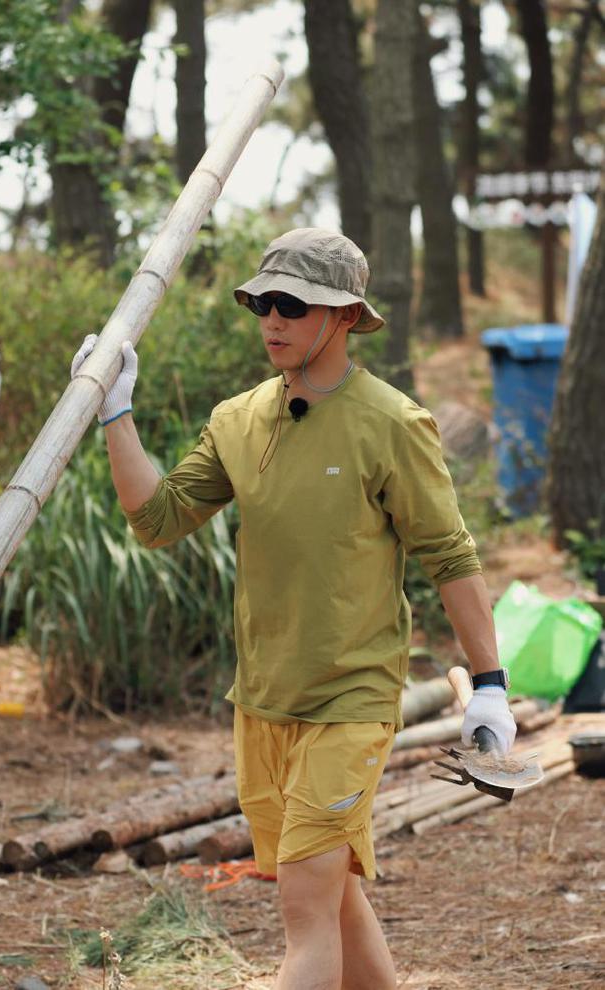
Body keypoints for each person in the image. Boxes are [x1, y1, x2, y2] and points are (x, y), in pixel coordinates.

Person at [71, 228, 517, 990]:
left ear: (345, 316)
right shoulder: (238, 420)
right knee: (334, 893)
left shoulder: (393, 423)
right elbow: (157, 520)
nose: (272, 320)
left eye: (293, 305)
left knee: (305, 909)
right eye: (262, 304)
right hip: (264, 700)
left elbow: (451, 557)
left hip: (352, 698)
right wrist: (118, 413)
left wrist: (491, 683)